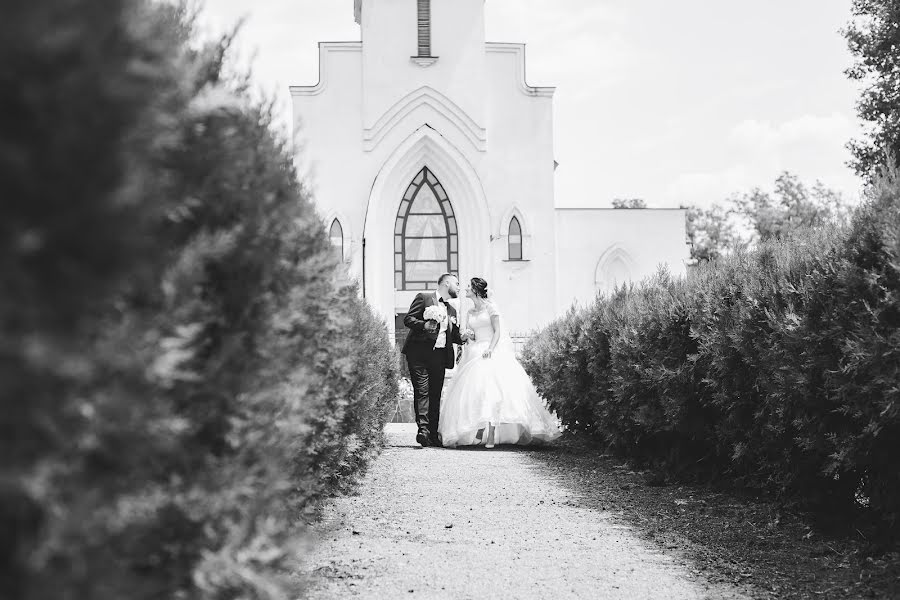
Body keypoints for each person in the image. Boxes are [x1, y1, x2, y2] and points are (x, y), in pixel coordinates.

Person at [438, 277, 561, 448]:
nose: (465, 289)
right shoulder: (469, 312)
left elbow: (497, 332)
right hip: (474, 351)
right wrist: (468, 335)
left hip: (491, 350)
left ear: (475, 290)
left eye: (468, 287)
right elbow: (472, 333)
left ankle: (492, 432)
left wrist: (490, 348)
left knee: (493, 392)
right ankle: (480, 426)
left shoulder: (491, 308)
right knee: (476, 392)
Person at [401, 273, 471, 447]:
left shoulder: (452, 310)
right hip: (419, 354)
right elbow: (408, 319)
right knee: (422, 391)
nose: (460, 287)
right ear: (446, 283)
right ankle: (423, 431)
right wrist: (423, 325)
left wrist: (462, 337)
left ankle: (433, 433)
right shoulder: (424, 298)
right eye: (457, 283)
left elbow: (453, 336)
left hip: (439, 357)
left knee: (435, 394)